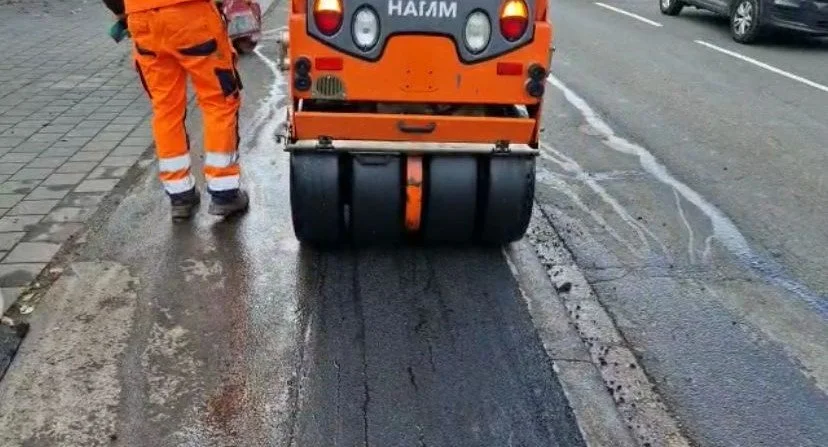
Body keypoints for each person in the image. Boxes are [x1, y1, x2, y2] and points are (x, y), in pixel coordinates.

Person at [102, 0, 249, 220]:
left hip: (142, 20)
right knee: (218, 102)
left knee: (165, 109)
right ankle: (224, 193)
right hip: (191, 14)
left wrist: (122, 11)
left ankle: (180, 196)